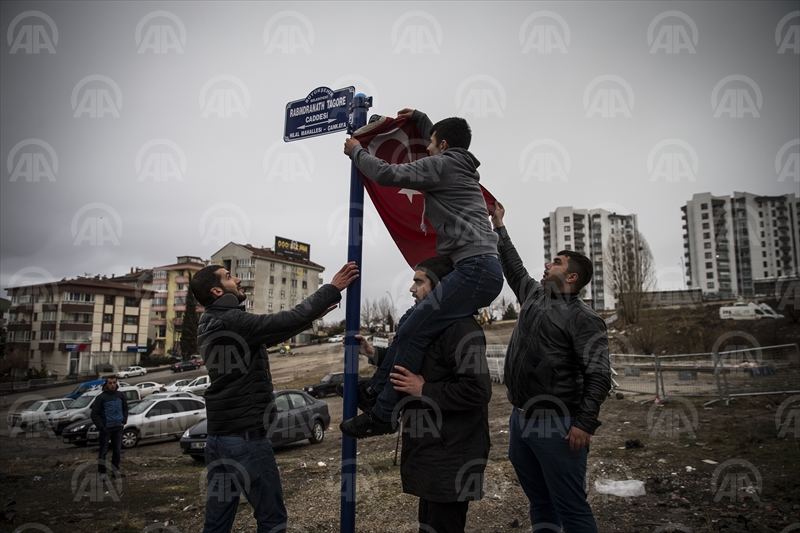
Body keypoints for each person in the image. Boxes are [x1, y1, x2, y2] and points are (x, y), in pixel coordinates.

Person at [340, 107, 503, 438]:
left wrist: (356, 152)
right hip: (479, 268)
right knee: (413, 327)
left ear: (442, 145)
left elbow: (387, 174)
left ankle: (384, 413)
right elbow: (439, 137)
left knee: (413, 328)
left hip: (475, 268)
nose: (425, 149)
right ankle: (376, 394)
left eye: (429, 143)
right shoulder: (457, 163)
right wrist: (421, 116)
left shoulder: (443, 164)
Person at [191, 261, 359, 533]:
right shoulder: (231, 320)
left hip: (219, 439)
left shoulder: (210, 322)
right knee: (272, 520)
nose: (237, 280)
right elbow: (285, 319)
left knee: (217, 522)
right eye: (229, 277)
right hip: (246, 440)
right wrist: (331, 288)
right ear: (217, 291)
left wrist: (310, 316)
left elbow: (271, 333)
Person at [490, 201, 610, 533]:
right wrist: (499, 224)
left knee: (571, 507)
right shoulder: (532, 294)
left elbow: (599, 374)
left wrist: (585, 423)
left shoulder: (585, 319)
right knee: (540, 502)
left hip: (558, 425)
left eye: (556, 262)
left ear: (571, 276)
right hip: (520, 419)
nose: (547, 264)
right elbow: (512, 264)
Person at [352, 256, 492, 533]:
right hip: (433, 448)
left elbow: (478, 390)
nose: (412, 289)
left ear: (440, 287)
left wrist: (423, 388)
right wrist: (375, 354)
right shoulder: (432, 324)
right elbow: (423, 362)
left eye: (418, 281)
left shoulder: (461, 329)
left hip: (453, 453)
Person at [90, 376, 128, 478]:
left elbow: (125, 409)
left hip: (118, 427)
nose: (112, 385)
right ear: (106, 384)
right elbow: (94, 414)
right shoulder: (101, 398)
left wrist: (123, 421)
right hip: (106, 428)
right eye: (110, 383)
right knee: (103, 451)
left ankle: (115, 471)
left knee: (117, 451)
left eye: (114, 383)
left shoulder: (120, 395)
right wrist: (102, 427)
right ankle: (102, 472)